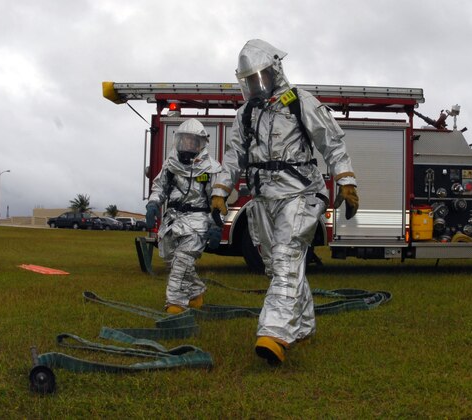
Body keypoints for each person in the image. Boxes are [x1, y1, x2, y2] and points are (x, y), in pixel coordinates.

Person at [220, 39, 359, 365]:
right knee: (280, 266)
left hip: (301, 195)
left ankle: (275, 333)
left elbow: (333, 144)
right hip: (262, 202)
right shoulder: (246, 114)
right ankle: (305, 325)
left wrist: (346, 181)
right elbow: (232, 158)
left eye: (260, 76)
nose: (256, 84)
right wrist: (219, 191)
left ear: (274, 70)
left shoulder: (300, 103)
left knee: (285, 259)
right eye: (250, 79)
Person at [146, 118, 231, 314]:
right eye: (185, 141)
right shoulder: (171, 164)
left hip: (197, 222)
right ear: (178, 141)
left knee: (182, 261)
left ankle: (175, 305)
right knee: (169, 257)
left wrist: (217, 226)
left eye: (193, 141)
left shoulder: (211, 168)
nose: (188, 145)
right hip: (172, 220)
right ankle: (195, 292)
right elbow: (160, 187)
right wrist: (153, 203)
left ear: (200, 144)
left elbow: (217, 201)